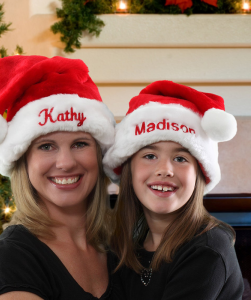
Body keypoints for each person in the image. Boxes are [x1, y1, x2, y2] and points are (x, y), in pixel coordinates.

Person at [0, 55, 125, 300]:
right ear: (24, 160)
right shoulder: (10, 260)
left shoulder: (120, 244)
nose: (66, 163)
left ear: (99, 154)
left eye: (80, 143)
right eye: (46, 146)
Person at [103, 80, 244, 300]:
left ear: (199, 174)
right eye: (150, 156)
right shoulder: (131, 242)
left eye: (180, 158)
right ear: (128, 170)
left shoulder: (207, 249)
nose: (165, 170)